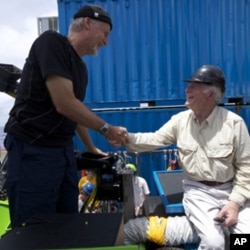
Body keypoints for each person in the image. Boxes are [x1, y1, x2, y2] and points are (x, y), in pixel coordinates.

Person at [3, 4, 128, 228]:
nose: (106, 42)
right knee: (34, 229)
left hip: (62, 153)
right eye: (105, 34)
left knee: (67, 225)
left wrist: (91, 148)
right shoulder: (52, 42)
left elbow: (75, 110)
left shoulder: (81, 68)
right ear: (88, 23)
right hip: (33, 150)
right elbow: (64, 103)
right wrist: (106, 129)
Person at [121, 65, 250, 249]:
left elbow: (247, 168)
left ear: (210, 94)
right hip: (199, 191)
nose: (187, 90)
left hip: (231, 190)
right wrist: (124, 139)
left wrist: (234, 204)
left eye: (194, 86)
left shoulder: (234, 124)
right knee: (214, 243)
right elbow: (154, 139)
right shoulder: (180, 121)